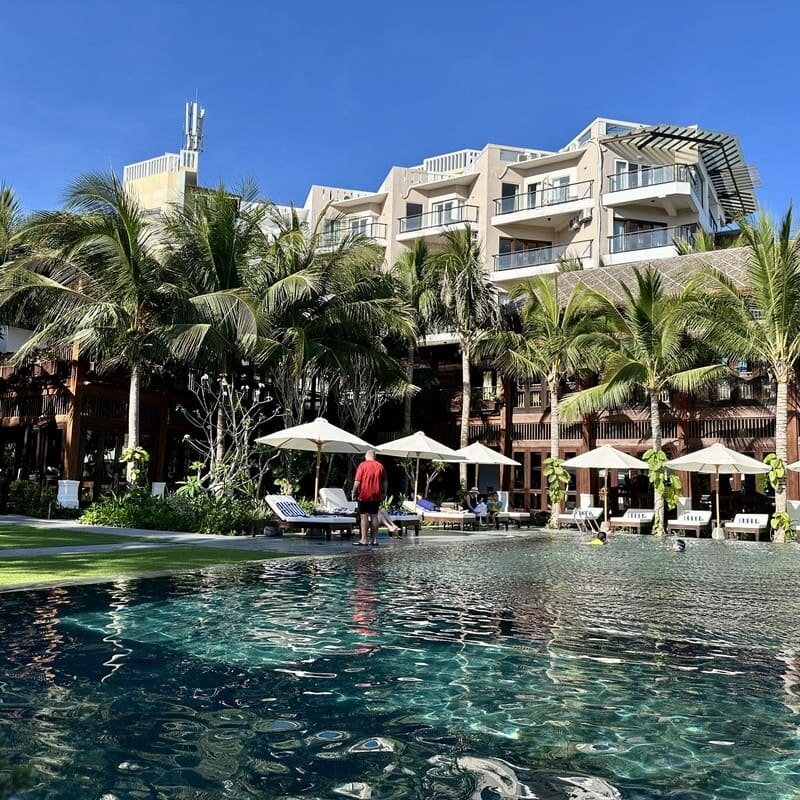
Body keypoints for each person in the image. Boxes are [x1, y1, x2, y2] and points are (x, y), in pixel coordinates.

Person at [352, 450, 387, 546]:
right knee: (374, 516)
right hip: (377, 494)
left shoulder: (362, 465)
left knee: (364, 516)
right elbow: (385, 482)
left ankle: (364, 540)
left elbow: (357, 481)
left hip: (364, 494)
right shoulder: (380, 466)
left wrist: (353, 492)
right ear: (374, 456)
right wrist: (384, 493)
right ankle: (375, 540)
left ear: (366, 456)